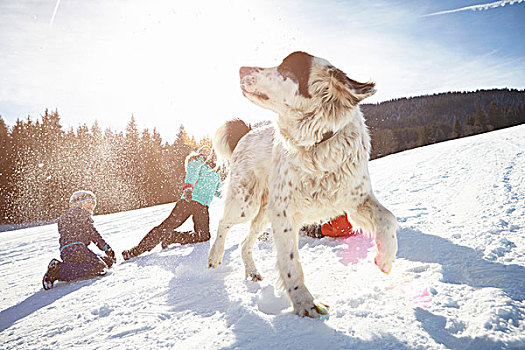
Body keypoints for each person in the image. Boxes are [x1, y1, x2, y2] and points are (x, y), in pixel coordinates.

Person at [122, 145, 222, 260]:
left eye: (209, 151)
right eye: (204, 150)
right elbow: (192, 174)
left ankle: (173, 237)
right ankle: (136, 250)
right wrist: (188, 187)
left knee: (203, 236)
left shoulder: (216, 172)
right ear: (200, 153)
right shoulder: (197, 161)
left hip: (202, 206)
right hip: (189, 201)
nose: (207, 152)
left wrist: (232, 199)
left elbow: (219, 190)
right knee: (166, 226)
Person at [42, 190, 116, 290]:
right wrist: (107, 248)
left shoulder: (68, 216)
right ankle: (58, 271)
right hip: (77, 248)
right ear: (78, 203)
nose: (91, 205)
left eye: (93, 203)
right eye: (88, 202)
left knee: (106, 262)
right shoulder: (80, 214)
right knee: (100, 268)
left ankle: (63, 267)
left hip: (68, 250)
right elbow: (93, 234)